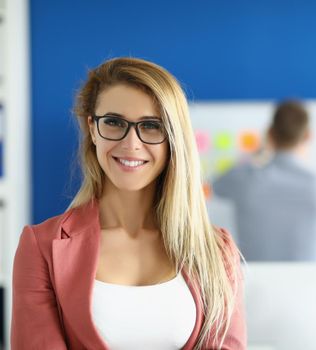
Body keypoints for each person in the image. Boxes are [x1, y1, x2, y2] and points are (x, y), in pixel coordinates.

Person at [11, 57, 246, 349]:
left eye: (150, 126)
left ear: (174, 138)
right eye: (113, 122)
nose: (131, 144)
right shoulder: (41, 246)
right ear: (93, 128)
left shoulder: (217, 250)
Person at [213, 100, 316, 261]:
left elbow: (216, 185)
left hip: (253, 283)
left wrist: (257, 153)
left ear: (269, 133)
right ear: (308, 136)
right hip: (308, 282)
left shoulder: (244, 180)